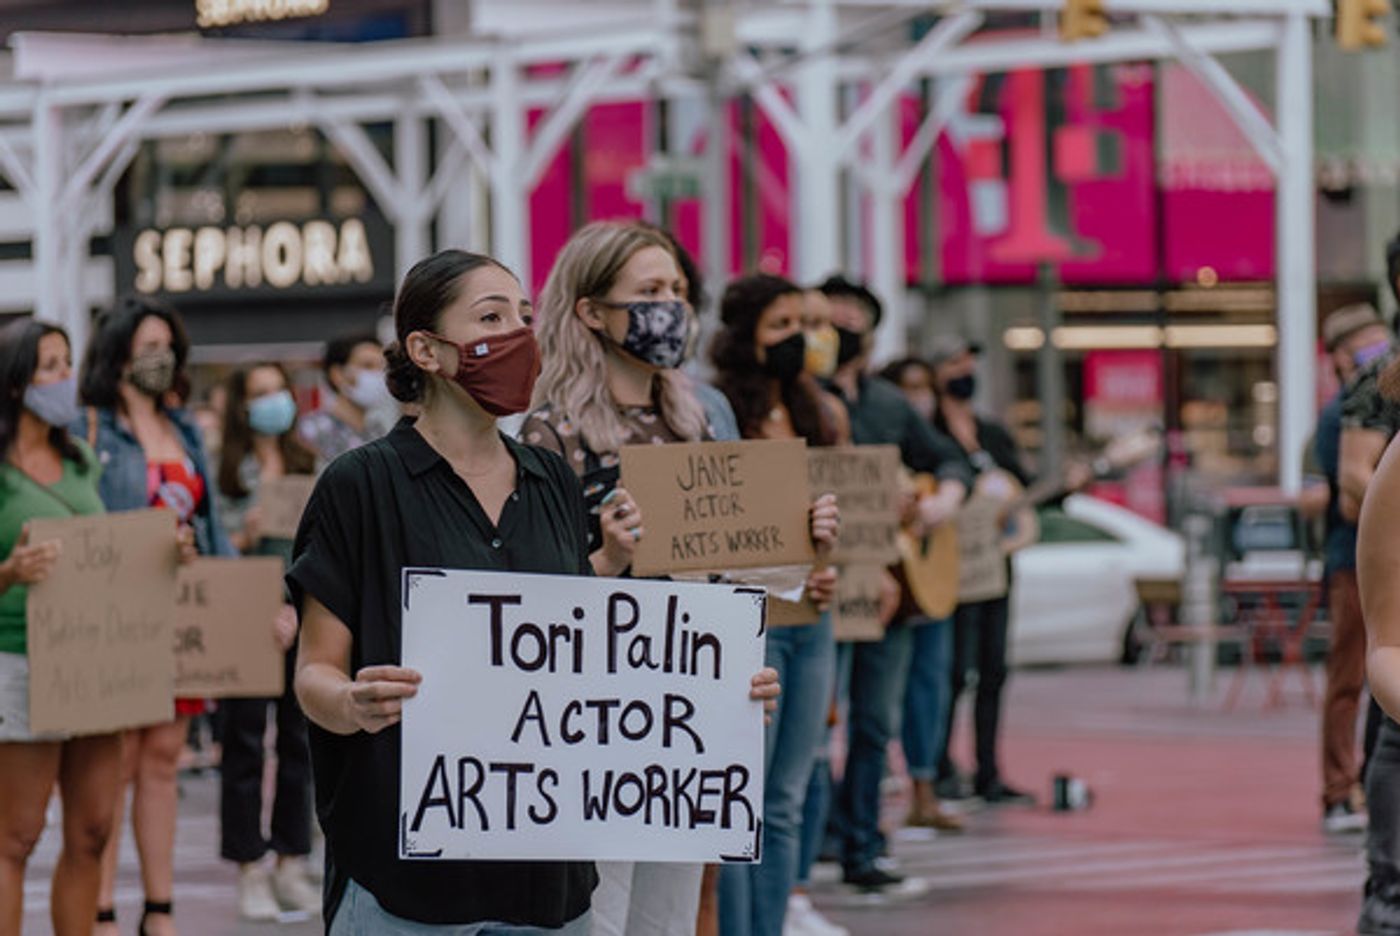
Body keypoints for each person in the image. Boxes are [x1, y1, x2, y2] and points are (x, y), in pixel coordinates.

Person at [289, 247, 782, 931]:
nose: (519, 336)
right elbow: (314, 669)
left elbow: (578, 652)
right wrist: (352, 703)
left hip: (546, 878)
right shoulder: (360, 486)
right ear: (426, 350)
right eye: (492, 317)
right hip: (405, 879)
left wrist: (715, 692)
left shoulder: (550, 482)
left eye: (525, 316)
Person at [522, 224, 818, 936]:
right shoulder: (551, 434)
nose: (673, 309)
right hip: (599, 714)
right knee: (601, 912)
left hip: (691, 702)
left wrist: (802, 545)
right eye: (650, 293)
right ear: (591, 311)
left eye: (679, 292)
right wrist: (607, 561)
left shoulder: (696, 424)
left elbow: (734, 571)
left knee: (671, 916)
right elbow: (531, 598)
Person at [79, 296, 232, 936]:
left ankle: (160, 908)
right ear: (117, 354)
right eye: (145, 346)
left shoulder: (187, 429)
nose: (159, 357)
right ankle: (103, 907)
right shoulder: (90, 429)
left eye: (165, 344)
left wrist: (238, 596)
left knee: (164, 759)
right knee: (115, 764)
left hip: (181, 610)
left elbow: (210, 521)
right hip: (116, 613)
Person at [819, 274, 971, 897]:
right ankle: (814, 846)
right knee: (810, 729)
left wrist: (941, 503)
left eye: (851, 319)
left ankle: (863, 846)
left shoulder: (887, 404)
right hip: (824, 586)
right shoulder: (799, 399)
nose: (836, 331)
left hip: (889, 590)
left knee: (875, 725)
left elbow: (950, 460)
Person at [709, 273, 845, 936]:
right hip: (747, 622)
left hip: (810, 618)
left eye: (804, 325)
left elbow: (835, 517)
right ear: (746, 338)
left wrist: (829, 568)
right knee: (743, 800)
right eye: (781, 326)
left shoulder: (819, 410)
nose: (800, 339)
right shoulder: (718, 412)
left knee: (787, 796)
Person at [0, 320, 122, 935]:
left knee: (94, 831)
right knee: (16, 837)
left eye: (67, 363)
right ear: (16, 382)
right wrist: (9, 572)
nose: (64, 378)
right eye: (50, 366)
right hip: (20, 659)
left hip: (92, 659)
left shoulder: (80, 464)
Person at [214, 364, 320, 919]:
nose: (271, 403)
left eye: (277, 391)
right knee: (245, 745)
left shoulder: (309, 464)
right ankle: (249, 865)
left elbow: (326, 547)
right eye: (258, 395)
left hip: (299, 619)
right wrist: (244, 533)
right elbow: (214, 548)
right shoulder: (226, 470)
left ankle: (291, 860)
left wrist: (301, 611)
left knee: (300, 742)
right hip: (241, 621)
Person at [916, 336, 1036, 806]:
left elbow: (1021, 491)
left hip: (994, 567)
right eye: (954, 362)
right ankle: (940, 766)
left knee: (992, 670)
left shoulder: (991, 431)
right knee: (949, 671)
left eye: (970, 361)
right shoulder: (930, 431)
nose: (965, 370)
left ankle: (988, 770)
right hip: (950, 568)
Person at [878, 355, 965, 831]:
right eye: (908, 388)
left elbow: (956, 463)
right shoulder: (873, 418)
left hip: (925, 584)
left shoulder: (929, 440)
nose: (918, 398)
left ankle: (926, 785)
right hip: (882, 585)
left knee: (932, 687)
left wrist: (943, 498)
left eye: (924, 387)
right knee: (877, 704)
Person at [1317, 304, 1391, 835]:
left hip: (1369, 555)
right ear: (1341, 359)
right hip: (1353, 560)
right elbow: (1345, 493)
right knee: (1350, 679)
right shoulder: (1344, 410)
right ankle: (1340, 791)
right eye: (1366, 348)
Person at [299, 331, 394, 463]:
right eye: (367, 366)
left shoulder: (378, 431)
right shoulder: (312, 430)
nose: (378, 376)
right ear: (337, 374)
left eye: (382, 367)